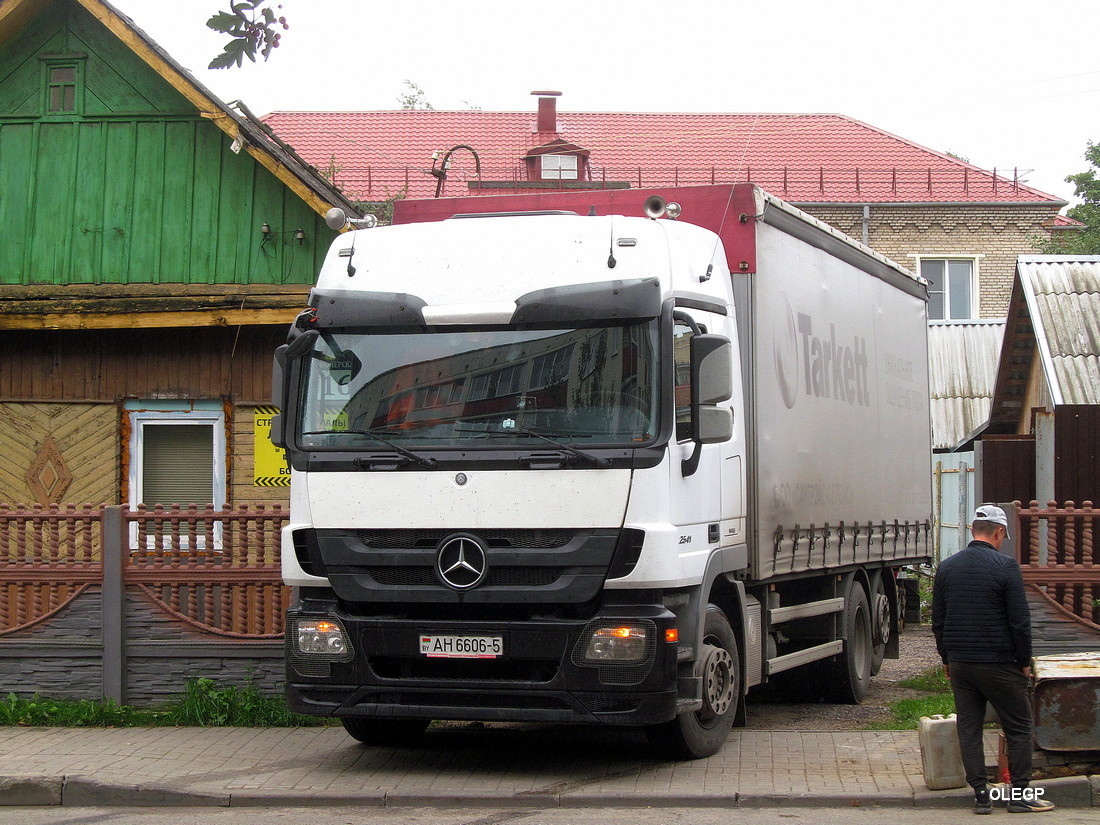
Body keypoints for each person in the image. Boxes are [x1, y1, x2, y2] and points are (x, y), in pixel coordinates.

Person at [932, 504, 1055, 815]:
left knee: (969, 727)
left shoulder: (946, 567)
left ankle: (981, 796)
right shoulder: (1005, 566)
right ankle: (1019, 796)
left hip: (961, 662)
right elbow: (1019, 621)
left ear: (973, 530)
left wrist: (947, 658)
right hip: (999, 662)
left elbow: (938, 620)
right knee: (1019, 726)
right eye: (1003, 536)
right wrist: (1024, 661)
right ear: (999, 532)